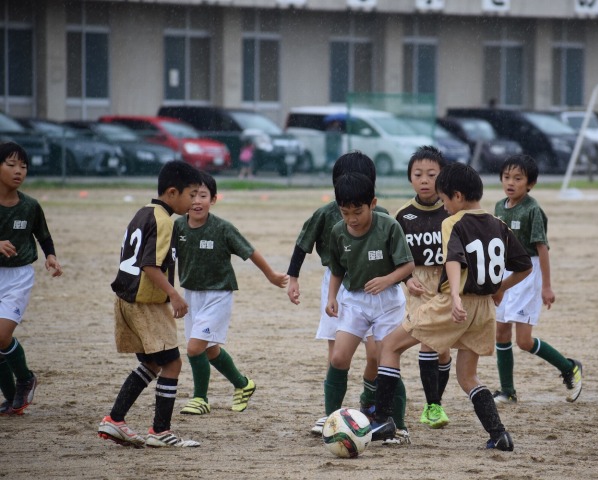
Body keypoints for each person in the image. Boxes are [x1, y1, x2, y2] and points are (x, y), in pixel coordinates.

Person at [368, 162, 532, 451]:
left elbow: (453, 259)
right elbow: (524, 266)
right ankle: (499, 434)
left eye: (444, 200)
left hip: (455, 303)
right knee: (467, 376)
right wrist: (500, 288)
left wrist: (454, 295)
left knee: (390, 346)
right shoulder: (498, 223)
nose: (443, 207)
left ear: (457, 196)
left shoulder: (453, 222)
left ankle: (382, 420)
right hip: (484, 309)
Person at [98, 160, 202, 448]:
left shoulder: (143, 212)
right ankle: (160, 431)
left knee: (153, 362)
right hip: (146, 303)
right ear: (172, 192)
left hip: (126, 298)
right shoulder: (164, 220)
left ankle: (115, 420)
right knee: (173, 363)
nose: (194, 201)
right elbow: (150, 265)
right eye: (191, 194)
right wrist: (174, 294)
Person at [286, 151, 390, 435]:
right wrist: (293, 278)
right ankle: (331, 414)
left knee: (376, 353)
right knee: (337, 352)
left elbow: (395, 254)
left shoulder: (381, 215)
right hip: (337, 283)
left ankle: (370, 402)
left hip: (371, 285)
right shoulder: (327, 213)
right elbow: (303, 244)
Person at [175, 171, 288, 416]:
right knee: (210, 350)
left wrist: (270, 275)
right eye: (192, 195)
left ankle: (200, 398)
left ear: (213, 199)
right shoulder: (178, 227)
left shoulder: (222, 228)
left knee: (194, 348)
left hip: (218, 295)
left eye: (202, 195)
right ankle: (243, 384)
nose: (196, 201)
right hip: (191, 295)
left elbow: (250, 251)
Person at [324, 172, 415, 444]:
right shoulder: (338, 232)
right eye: (345, 213)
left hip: (387, 301)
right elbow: (336, 269)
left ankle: (397, 426)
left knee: (383, 358)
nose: (351, 219)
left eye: (358, 212)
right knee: (339, 358)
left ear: (372, 204)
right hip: (354, 300)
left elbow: (408, 265)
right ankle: (332, 421)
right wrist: (332, 297)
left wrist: (387, 280)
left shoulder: (389, 226)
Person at [491, 154, 583, 405]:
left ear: (530, 184)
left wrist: (547, 287)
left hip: (527, 274)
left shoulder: (533, 210)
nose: (511, 182)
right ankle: (507, 391)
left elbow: (542, 248)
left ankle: (569, 367)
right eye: (507, 177)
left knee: (524, 341)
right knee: (501, 331)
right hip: (504, 272)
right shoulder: (499, 207)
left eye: (518, 178)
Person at [0, 142, 62, 416]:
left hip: (18, 277)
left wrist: (51, 256)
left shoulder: (30, 206)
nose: (19, 171)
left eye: (23, 166)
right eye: (11, 165)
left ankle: (25, 378)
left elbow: (43, 235)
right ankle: (11, 399)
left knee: (2, 335)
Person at [394, 146, 452, 429]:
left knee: (443, 349)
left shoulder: (451, 212)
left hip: (447, 284)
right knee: (428, 339)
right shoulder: (403, 216)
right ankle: (433, 406)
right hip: (417, 285)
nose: (425, 180)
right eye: (418, 174)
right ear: (410, 178)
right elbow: (394, 258)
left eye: (432, 174)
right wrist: (406, 279)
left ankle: (435, 402)